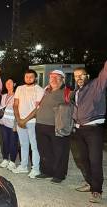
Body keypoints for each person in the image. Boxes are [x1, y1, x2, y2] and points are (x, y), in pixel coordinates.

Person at [71, 63, 107, 203]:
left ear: (88, 76)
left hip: (93, 130)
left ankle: (97, 190)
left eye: (81, 75)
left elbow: (104, 73)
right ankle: (90, 182)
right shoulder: (77, 91)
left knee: (95, 160)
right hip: (80, 130)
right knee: (83, 159)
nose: (79, 78)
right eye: (76, 76)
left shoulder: (95, 86)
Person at [31, 70, 71, 183]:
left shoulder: (67, 92)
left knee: (60, 151)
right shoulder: (45, 90)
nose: (53, 79)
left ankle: (59, 174)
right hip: (41, 125)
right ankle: (47, 171)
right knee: (44, 150)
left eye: (56, 78)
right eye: (51, 77)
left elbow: (72, 109)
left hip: (57, 127)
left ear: (62, 79)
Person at [13, 69, 44, 178]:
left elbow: (37, 109)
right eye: (26, 77)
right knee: (23, 145)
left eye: (31, 77)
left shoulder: (39, 90)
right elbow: (15, 105)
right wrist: (18, 119)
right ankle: (23, 166)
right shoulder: (19, 88)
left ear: (35, 78)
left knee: (34, 146)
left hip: (32, 122)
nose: (28, 79)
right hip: (20, 121)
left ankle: (36, 169)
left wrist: (24, 120)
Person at [0, 78, 18, 171]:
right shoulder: (3, 96)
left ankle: (13, 161)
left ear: (14, 84)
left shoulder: (17, 96)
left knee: (13, 143)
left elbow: (18, 111)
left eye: (10, 82)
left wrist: (16, 124)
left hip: (13, 124)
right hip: (3, 123)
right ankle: (5, 159)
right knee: (5, 142)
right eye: (7, 83)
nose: (8, 84)